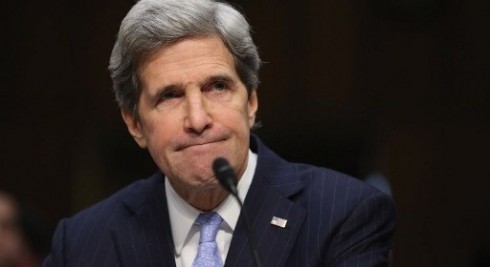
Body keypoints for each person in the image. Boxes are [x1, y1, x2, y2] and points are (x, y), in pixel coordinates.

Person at [43, 0, 396, 266]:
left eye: (217, 87)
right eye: (169, 96)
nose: (197, 119)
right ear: (135, 124)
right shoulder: (81, 244)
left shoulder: (343, 215)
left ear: (252, 100)